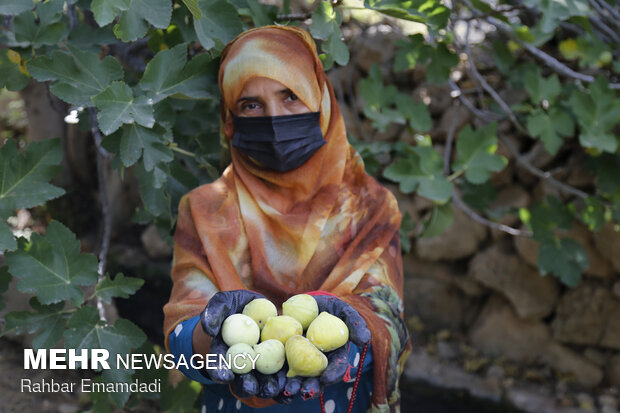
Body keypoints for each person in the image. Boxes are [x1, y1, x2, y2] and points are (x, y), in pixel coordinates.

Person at [163, 25, 411, 413]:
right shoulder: (205, 209)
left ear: (321, 101)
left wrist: (346, 327)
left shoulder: (368, 207)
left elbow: (385, 314)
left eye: (290, 97)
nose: (274, 119)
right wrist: (212, 334)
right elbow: (182, 339)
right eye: (251, 105)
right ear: (230, 118)